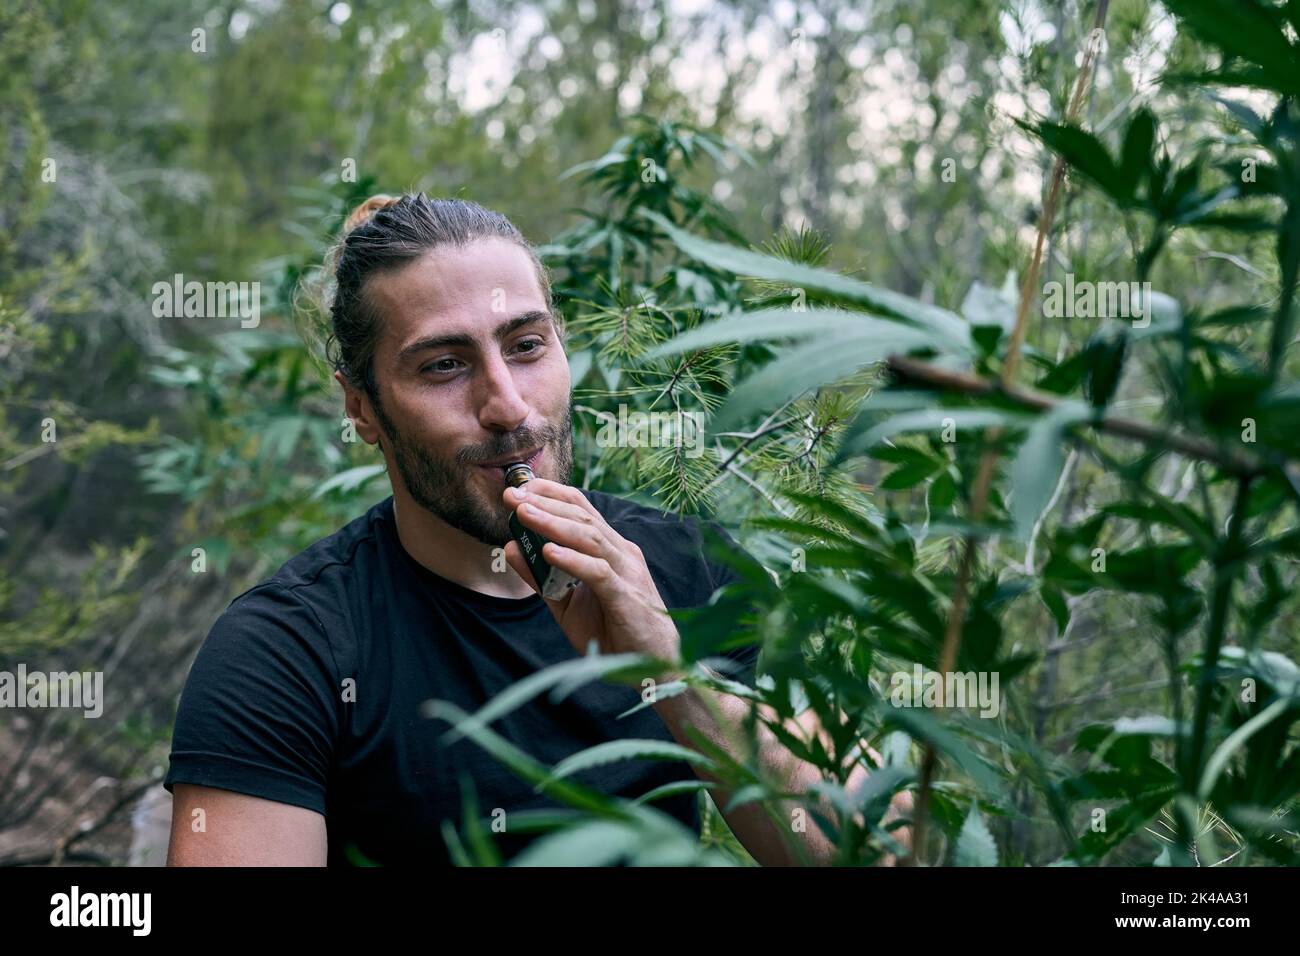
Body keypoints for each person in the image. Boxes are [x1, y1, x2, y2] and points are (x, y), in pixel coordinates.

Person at [163, 193, 908, 866]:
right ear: (361, 407)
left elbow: (882, 854)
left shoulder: (690, 569)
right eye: (445, 366)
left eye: (526, 346)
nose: (509, 406)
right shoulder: (285, 651)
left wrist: (675, 677)